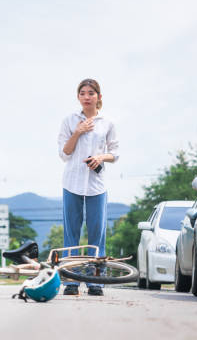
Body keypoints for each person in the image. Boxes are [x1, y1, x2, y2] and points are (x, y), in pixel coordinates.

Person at [57, 78, 119, 296]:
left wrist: (101, 157)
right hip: (72, 183)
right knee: (71, 234)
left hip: (96, 185)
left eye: (91, 93)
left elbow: (115, 153)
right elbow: (64, 154)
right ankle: (71, 281)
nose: (86, 96)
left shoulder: (108, 122)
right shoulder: (69, 120)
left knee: (97, 234)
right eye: (82, 93)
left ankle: (95, 282)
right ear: (78, 97)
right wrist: (78, 132)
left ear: (98, 97)